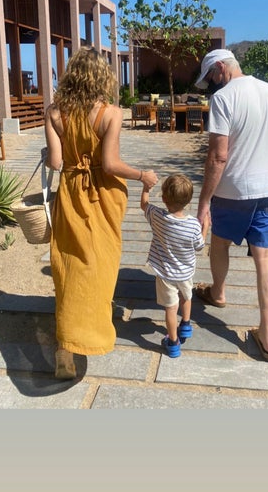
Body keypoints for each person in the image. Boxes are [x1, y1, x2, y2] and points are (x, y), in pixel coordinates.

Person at [43, 49, 159, 379]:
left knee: (69, 266)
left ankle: (64, 347)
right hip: (102, 198)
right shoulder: (111, 113)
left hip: (70, 195)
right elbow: (110, 165)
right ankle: (92, 332)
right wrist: (142, 175)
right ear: (101, 77)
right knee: (99, 266)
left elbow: (55, 162)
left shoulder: (54, 112)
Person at [192, 49, 268, 361]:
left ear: (221, 67)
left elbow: (218, 156)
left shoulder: (223, 99)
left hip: (233, 190)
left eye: (211, 77)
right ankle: (267, 335)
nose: (211, 84)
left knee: (219, 244)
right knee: (265, 258)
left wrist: (204, 202)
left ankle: (218, 293)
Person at [140, 174, 205, 358]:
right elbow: (199, 246)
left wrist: (146, 187)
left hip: (165, 274)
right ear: (188, 200)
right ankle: (185, 324)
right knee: (186, 297)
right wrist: (205, 228)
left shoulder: (157, 216)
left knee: (170, 308)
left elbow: (144, 204)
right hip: (185, 273)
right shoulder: (193, 224)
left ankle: (173, 342)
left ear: (163, 198)